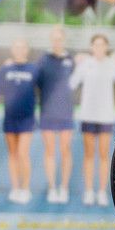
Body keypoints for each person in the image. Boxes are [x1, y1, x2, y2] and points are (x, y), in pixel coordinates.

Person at [68, 33, 115, 206]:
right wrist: (75, 63)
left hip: (106, 116)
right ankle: (89, 191)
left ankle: (101, 192)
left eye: (102, 45)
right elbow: (72, 83)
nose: (99, 48)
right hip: (88, 115)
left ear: (106, 47)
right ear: (91, 47)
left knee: (104, 155)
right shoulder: (85, 65)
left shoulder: (112, 65)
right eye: (95, 45)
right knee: (89, 154)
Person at [37, 25, 75, 203]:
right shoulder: (43, 60)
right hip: (47, 113)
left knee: (65, 150)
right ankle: (52, 187)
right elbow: (34, 80)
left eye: (60, 39)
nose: (57, 41)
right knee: (50, 150)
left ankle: (64, 188)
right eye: (54, 39)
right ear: (51, 40)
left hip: (66, 112)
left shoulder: (71, 60)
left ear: (64, 40)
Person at [0, 38, 40, 204]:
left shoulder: (34, 69)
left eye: (22, 46)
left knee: (23, 153)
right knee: (13, 153)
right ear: (12, 49)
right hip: (10, 116)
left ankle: (25, 188)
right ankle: (15, 187)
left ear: (27, 50)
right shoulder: (6, 69)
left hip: (27, 118)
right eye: (16, 46)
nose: (19, 49)